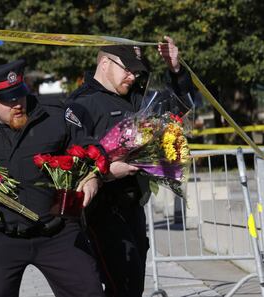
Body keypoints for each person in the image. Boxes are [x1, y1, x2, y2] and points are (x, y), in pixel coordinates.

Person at [0, 59, 105, 297]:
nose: (17, 104)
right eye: (7, 99)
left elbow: (90, 149)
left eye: (20, 95)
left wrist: (92, 178)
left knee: (90, 292)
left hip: (56, 231)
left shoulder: (56, 114)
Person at [65, 36, 194, 297]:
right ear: (104, 63)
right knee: (121, 283)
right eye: (128, 69)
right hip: (100, 211)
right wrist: (107, 171)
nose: (133, 76)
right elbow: (73, 160)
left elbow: (178, 110)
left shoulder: (136, 99)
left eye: (136, 71)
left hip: (132, 205)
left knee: (132, 283)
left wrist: (175, 70)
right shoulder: (80, 104)